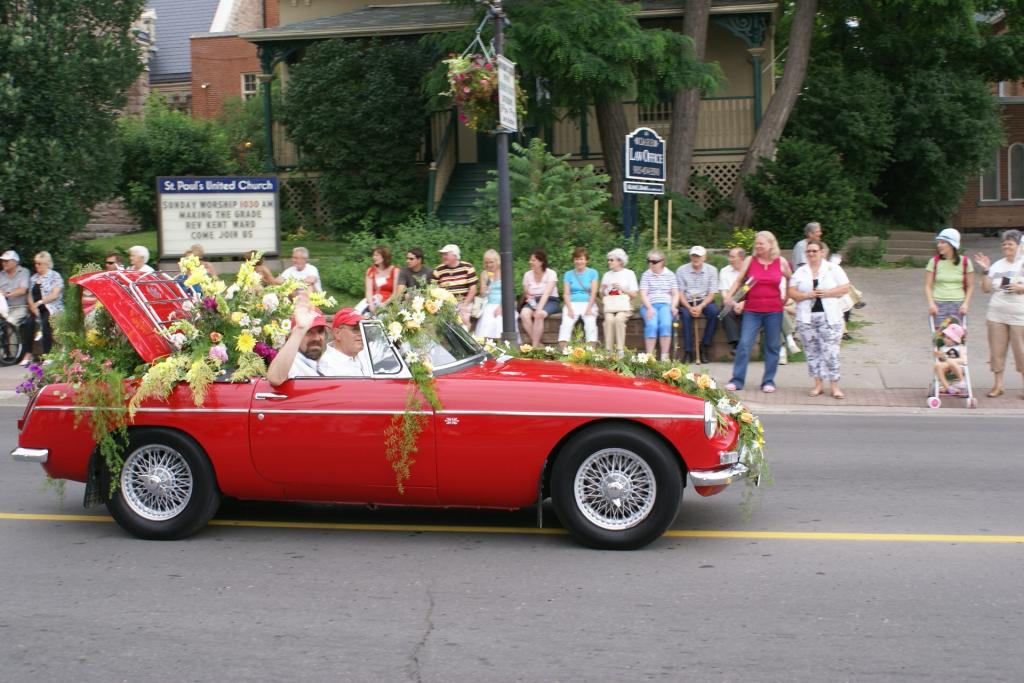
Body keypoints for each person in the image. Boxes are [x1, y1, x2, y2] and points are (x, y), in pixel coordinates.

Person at [725, 231, 792, 393]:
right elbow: (739, 280)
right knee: (744, 344)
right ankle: (737, 380)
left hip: (774, 310)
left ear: (771, 244)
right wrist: (729, 296)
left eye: (761, 243)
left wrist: (786, 298)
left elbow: (791, 279)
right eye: (757, 243)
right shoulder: (750, 260)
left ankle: (768, 381)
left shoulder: (781, 262)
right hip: (752, 310)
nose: (758, 246)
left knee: (772, 346)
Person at [788, 239, 850, 399]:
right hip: (807, 318)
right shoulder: (801, 272)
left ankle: (835, 386)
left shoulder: (832, 268)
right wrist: (806, 295)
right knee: (812, 352)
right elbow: (791, 292)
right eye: (808, 251)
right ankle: (818, 385)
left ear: (822, 252)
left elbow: (845, 287)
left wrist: (827, 293)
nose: (811, 254)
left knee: (831, 352)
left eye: (814, 251)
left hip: (830, 317)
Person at [973, 229, 1024, 398]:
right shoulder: (997, 265)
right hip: (996, 314)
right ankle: (998, 385)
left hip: (1019, 316)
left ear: (1019, 245)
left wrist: (1020, 288)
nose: (1006, 246)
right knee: (996, 351)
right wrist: (986, 270)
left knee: (1021, 352)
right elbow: (985, 289)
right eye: (1004, 244)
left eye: (1010, 244)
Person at [267, 293, 330, 386]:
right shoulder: (293, 364)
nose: (316, 338)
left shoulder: (327, 363)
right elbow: (275, 378)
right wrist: (300, 330)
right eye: (308, 331)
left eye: (320, 331)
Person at [675, 245, 719, 363]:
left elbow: (712, 293)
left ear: (704, 257)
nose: (696, 258)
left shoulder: (712, 270)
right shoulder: (681, 270)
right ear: (690, 257)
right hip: (687, 301)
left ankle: (704, 347)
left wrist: (701, 306)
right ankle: (688, 351)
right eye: (694, 256)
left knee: (714, 312)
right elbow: (680, 293)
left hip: (704, 300)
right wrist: (689, 307)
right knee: (685, 315)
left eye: (698, 256)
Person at [925, 227, 974, 325]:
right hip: (938, 305)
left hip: (958, 305)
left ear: (952, 245)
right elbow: (927, 286)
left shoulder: (965, 262)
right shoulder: (933, 262)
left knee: (956, 334)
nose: (939, 245)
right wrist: (931, 304)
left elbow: (970, 286)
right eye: (938, 242)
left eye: (943, 242)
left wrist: (966, 304)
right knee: (939, 334)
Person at [639, 249, 679, 361]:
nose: (651, 264)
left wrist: (673, 306)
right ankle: (650, 357)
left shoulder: (670, 275)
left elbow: (675, 293)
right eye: (649, 261)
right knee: (652, 325)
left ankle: (664, 356)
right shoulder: (646, 275)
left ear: (662, 262)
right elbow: (643, 294)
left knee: (665, 325)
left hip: (665, 305)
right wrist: (649, 308)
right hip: (649, 305)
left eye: (654, 262)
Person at [558, 247, 599, 348]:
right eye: (576, 259)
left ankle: (591, 351)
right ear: (573, 260)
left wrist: (589, 308)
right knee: (566, 323)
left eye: (581, 259)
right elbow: (566, 294)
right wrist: (569, 309)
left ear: (586, 260)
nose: (579, 261)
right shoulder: (568, 274)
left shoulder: (593, 273)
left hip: (588, 302)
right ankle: (564, 350)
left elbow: (593, 293)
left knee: (590, 323)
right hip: (572, 303)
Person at [27, 251, 63, 364]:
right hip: (37, 308)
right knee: (28, 323)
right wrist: (33, 306)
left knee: (46, 321)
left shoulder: (55, 276)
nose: (36, 266)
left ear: (46, 264)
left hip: (52, 307)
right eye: (35, 263)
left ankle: (48, 355)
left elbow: (55, 295)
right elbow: (29, 295)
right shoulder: (33, 278)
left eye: (39, 264)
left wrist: (40, 302)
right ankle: (28, 354)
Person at [600, 248, 638, 355]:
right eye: (608, 260)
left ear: (620, 261)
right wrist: (603, 289)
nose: (609, 262)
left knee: (619, 319)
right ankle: (608, 350)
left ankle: (620, 350)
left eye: (611, 260)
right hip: (610, 306)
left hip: (624, 306)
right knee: (608, 320)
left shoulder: (629, 274)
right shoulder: (607, 275)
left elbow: (634, 294)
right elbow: (602, 295)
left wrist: (622, 289)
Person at [430, 244, 478, 328]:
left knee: (464, 326)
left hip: (464, 303)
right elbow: (433, 289)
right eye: (442, 254)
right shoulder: (438, 270)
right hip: (446, 306)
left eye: (446, 254)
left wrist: (464, 305)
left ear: (455, 255)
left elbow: (473, 289)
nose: (443, 257)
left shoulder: (467, 268)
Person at [0, 250, 34, 365]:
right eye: (3, 261)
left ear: (15, 262)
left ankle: (12, 355)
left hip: (20, 307)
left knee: (10, 322)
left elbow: (23, 290)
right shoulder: (1, 275)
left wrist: (8, 294)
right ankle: (3, 353)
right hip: (3, 307)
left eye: (6, 261)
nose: (4, 263)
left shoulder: (24, 272)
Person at [520, 248, 559, 347]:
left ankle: (534, 346)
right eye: (530, 260)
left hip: (550, 300)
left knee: (539, 315)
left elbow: (547, 293)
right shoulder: (527, 275)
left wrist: (539, 308)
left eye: (533, 260)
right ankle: (538, 344)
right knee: (524, 314)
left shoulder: (551, 273)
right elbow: (527, 292)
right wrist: (530, 298)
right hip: (533, 300)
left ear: (541, 262)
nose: (530, 262)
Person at [319, 307, 371, 377]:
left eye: (363, 328)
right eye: (355, 329)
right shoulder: (329, 367)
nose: (362, 333)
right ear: (337, 333)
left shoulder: (363, 353)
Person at [474, 249, 511, 341]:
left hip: (503, 303)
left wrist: (502, 307)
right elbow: (482, 293)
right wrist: (486, 285)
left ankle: (502, 343)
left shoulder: (504, 273)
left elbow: (508, 292)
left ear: (497, 262)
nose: (489, 265)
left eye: (491, 262)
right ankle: (487, 344)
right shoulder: (484, 274)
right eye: (486, 262)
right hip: (489, 303)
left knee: (499, 319)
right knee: (487, 318)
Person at [933, 320, 967, 395]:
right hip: (946, 367)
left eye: (948, 338)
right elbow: (941, 360)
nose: (945, 339)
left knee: (951, 361)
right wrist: (939, 356)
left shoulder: (960, 347)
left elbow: (963, 360)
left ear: (955, 340)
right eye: (945, 337)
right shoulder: (942, 348)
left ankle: (962, 381)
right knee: (937, 365)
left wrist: (950, 360)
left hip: (958, 368)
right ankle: (948, 388)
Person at [363, 245, 398, 315]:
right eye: (373, 255)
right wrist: (371, 305)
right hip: (373, 301)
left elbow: (395, 293)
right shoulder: (370, 271)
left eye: (377, 255)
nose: (374, 257)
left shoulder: (395, 271)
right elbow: (368, 291)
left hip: (389, 303)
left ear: (385, 256)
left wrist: (384, 304)